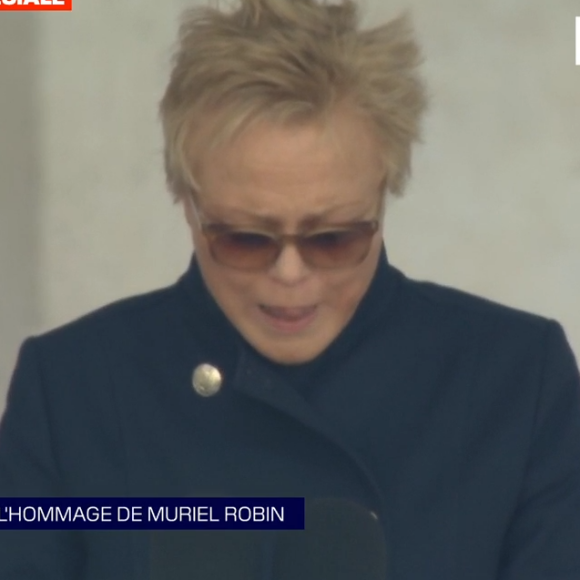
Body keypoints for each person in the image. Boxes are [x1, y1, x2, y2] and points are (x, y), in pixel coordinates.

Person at [1, 0, 579, 578]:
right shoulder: (74, 395)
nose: (290, 274)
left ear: (384, 193)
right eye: (246, 239)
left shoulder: (514, 384)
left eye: (332, 239)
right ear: (188, 205)